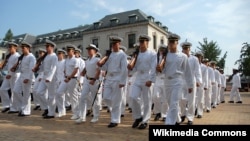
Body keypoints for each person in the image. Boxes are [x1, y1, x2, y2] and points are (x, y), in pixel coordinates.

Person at [162, 33, 193, 125]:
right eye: (169, 42)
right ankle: (178, 119)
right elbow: (161, 70)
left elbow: (188, 71)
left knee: (174, 103)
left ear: (177, 43)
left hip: (177, 81)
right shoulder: (165, 56)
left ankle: (169, 123)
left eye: (173, 42)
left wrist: (190, 85)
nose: (171, 44)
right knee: (170, 102)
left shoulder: (183, 56)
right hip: (167, 81)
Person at [97, 36, 128, 128]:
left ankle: (115, 120)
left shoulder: (122, 55)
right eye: (112, 44)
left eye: (115, 44)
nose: (113, 45)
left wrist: (122, 81)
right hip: (109, 78)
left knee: (116, 101)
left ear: (119, 44)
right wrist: (101, 64)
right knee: (106, 97)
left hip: (117, 79)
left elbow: (124, 69)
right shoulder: (110, 54)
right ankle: (115, 112)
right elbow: (105, 67)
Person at [128, 34, 157, 129]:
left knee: (147, 100)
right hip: (139, 76)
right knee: (133, 97)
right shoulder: (137, 54)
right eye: (140, 42)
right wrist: (130, 68)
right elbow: (135, 68)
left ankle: (145, 120)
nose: (141, 44)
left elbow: (153, 68)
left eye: (142, 42)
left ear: (147, 42)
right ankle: (138, 117)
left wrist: (151, 79)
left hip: (147, 76)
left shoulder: (152, 53)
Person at [76, 44, 101, 123]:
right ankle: (82, 117)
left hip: (94, 81)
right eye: (88, 49)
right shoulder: (87, 61)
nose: (89, 50)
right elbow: (85, 70)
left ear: (95, 51)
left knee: (95, 99)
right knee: (82, 97)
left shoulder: (97, 60)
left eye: (91, 49)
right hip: (87, 80)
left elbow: (98, 71)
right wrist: (80, 76)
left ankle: (96, 116)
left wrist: (94, 79)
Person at [180, 41, 202, 125]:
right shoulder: (180, 57)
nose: (186, 50)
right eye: (184, 48)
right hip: (182, 81)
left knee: (191, 100)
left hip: (191, 81)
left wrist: (198, 80)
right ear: (182, 49)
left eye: (187, 48)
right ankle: (182, 114)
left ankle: (190, 118)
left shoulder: (194, 59)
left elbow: (197, 71)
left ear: (189, 49)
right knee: (181, 99)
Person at [12, 41, 36, 116]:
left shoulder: (31, 57)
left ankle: (26, 111)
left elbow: (32, 69)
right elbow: (21, 68)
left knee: (26, 94)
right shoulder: (22, 57)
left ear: (28, 48)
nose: (22, 49)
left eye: (23, 48)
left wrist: (28, 78)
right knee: (15, 91)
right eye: (22, 48)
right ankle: (22, 107)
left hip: (27, 77)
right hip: (21, 76)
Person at [56, 44, 80, 120]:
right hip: (65, 79)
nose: (67, 52)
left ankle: (76, 113)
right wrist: (65, 74)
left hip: (72, 79)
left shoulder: (76, 60)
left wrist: (69, 77)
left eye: (69, 50)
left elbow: (75, 70)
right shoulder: (66, 60)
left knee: (73, 97)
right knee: (59, 93)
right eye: (67, 50)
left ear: (73, 51)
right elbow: (65, 69)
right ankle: (62, 111)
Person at [35, 39, 58, 119]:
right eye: (46, 46)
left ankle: (51, 113)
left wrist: (50, 77)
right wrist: (37, 69)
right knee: (38, 92)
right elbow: (43, 67)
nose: (46, 48)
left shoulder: (54, 56)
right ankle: (46, 108)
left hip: (51, 78)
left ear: (52, 47)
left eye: (48, 46)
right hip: (44, 77)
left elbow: (54, 68)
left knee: (51, 96)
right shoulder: (46, 56)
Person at [0, 42, 20, 113]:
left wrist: (10, 74)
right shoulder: (9, 56)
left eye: (10, 47)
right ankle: (7, 105)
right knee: (2, 89)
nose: (9, 48)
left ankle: (15, 108)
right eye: (8, 47)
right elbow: (6, 66)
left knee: (14, 91)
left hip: (14, 75)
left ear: (15, 48)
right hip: (8, 75)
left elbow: (17, 67)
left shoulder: (17, 56)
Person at [152, 44, 168, 121]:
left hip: (166, 79)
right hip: (158, 78)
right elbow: (152, 68)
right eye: (160, 49)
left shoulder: (168, 58)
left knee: (165, 98)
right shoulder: (156, 57)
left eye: (163, 49)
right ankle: (158, 112)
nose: (161, 51)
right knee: (155, 96)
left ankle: (164, 114)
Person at [194, 52, 208, 118]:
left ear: (201, 58)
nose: (198, 58)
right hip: (193, 84)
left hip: (201, 85)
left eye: (199, 57)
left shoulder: (204, 67)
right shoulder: (192, 64)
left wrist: (206, 86)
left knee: (200, 99)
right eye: (197, 57)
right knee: (193, 99)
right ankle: (193, 110)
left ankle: (199, 112)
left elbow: (206, 77)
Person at [55, 49, 67, 117]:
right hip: (57, 80)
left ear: (63, 54)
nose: (59, 55)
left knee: (60, 95)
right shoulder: (56, 62)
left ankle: (61, 110)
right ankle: (61, 110)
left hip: (63, 80)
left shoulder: (65, 62)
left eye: (60, 54)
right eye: (58, 54)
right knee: (58, 96)